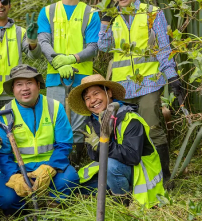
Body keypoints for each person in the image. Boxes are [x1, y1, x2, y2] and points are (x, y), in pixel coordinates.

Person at [98, 0, 182, 183]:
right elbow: (104, 46)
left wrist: (172, 77)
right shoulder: (112, 17)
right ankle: (137, 180)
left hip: (148, 83)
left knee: (152, 129)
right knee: (126, 133)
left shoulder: (152, 13)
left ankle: (163, 180)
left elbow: (163, 48)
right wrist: (105, 23)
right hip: (121, 87)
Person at [68, 74, 165, 208]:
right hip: (113, 170)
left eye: (96, 94)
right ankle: (114, 190)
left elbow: (132, 157)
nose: (93, 100)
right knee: (74, 185)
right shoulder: (92, 122)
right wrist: (96, 146)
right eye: (87, 98)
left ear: (109, 93)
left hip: (139, 172)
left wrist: (103, 144)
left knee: (110, 166)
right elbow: (94, 156)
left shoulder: (130, 119)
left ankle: (122, 203)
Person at [0, 64, 79, 215]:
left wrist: (51, 167)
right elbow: (2, 154)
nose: (25, 88)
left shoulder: (55, 107)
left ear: (38, 85)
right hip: (18, 168)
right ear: (13, 89)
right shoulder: (4, 115)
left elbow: (64, 144)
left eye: (29, 83)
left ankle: (53, 208)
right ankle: (25, 213)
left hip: (50, 164)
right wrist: (14, 175)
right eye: (19, 84)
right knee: (6, 198)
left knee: (69, 180)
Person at [37, 0, 100, 163]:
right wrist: (57, 61)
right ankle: (57, 165)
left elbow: (93, 47)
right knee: (55, 121)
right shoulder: (47, 11)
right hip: (56, 78)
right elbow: (43, 40)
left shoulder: (90, 13)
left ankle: (76, 164)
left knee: (79, 124)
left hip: (82, 78)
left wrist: (71, 59)